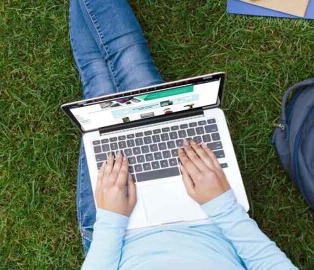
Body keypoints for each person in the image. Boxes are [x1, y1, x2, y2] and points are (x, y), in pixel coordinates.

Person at [69, 0, 298, 269]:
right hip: (210, 216)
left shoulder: (111, 224)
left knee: (97, 84)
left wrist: (110, 220)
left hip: (114, 234)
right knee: (130, 64)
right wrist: (222, 205)